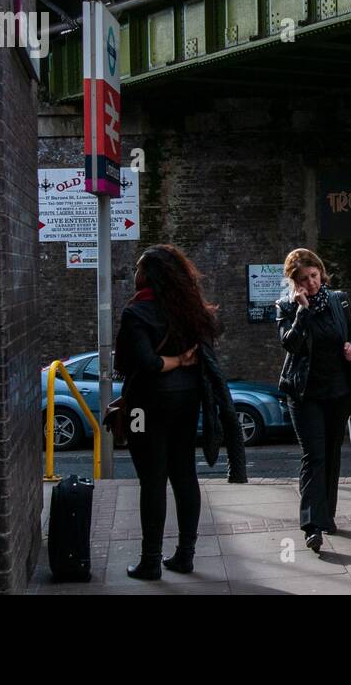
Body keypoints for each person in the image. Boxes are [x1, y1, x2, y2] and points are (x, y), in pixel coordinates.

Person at [115, 244, 246, 580]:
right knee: (185, 474)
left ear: (148, 275)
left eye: (138, 268)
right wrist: (183, 361)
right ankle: (185, 555)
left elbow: (146, 363)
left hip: (146, 405)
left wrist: (169, 362)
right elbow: (203, 351)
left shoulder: (136, 313)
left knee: (152, 481)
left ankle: (149, 561)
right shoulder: (190, 311)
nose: (134, 273)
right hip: (187, 400)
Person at [275, 247, 351, 553]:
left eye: (314, 276)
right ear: (295, 281)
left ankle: (327, 515)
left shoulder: (339, 300)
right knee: (313, 456)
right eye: (304, 278)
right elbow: (289, 343)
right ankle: (312, 526)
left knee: (331, 455)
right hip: (305, 394)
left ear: (321, 273)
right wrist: (302, 312)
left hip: (338, 392)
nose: (312, 283)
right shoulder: (286, 307)